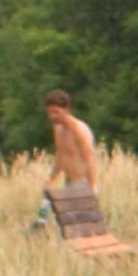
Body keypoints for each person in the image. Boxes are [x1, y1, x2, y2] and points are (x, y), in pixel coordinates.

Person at [30, 90, 100, 229]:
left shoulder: (79, 130)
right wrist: (51, 178)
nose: (52, 116)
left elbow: (90, 159)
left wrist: (91, 189)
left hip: (82, 183)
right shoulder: (58, 128)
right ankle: (41, 222)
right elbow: (62, 155)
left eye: (56, 112)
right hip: (68, 182)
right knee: (62, 223)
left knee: (76, 227)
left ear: (66, 109)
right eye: (49, 112)